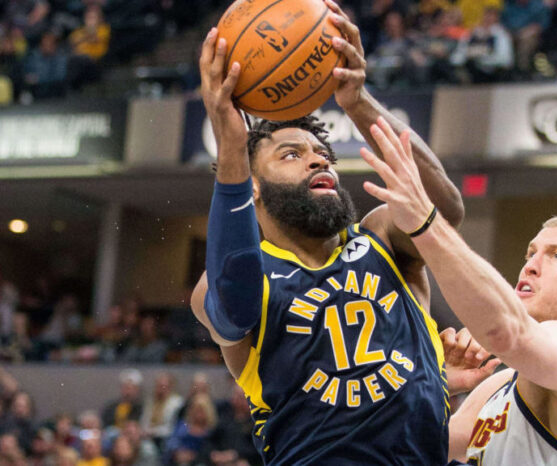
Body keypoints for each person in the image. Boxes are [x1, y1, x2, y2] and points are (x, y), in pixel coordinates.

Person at [189, 0, 465, 463]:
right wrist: (232, 149)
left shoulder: (380, 238)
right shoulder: (227, 283)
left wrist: (359, 103)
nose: (319, 159)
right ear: (252, 187)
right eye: (292, 154)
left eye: (322, 153)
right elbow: (233, 302)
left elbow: (445, 210)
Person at [357, 134, 557, 463]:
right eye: (531, 253)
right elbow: (410, 449)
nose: (531, 266)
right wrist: (435, 384)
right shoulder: (499, 384)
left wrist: (425, 224)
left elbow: (505, 331)